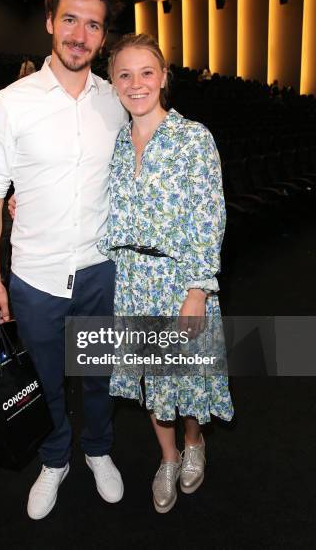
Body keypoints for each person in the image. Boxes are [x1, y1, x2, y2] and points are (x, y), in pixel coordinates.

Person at [0, 0, 127, 520]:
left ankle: (99, 449)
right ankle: (56, 456)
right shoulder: (10, 103)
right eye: (70, 20)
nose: (80, 34)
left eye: (93, 24)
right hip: (35, 276)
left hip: (98, 271)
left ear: (103, 37)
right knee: (44, 379)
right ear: (49, 23)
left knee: (97, 376)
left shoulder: (116, 102)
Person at [97, 33, 234, 513]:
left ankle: (195, 442)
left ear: (164, 78)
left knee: (190, 376)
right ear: (113, 83)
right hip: (133, 283)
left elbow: (209, 216)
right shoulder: (115, 143)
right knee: (156, 379)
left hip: (182, 282)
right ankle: (169, 456)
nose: (137, 84)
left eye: (146, 72)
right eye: (125, 75)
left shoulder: (193, 138)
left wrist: (197, 290)